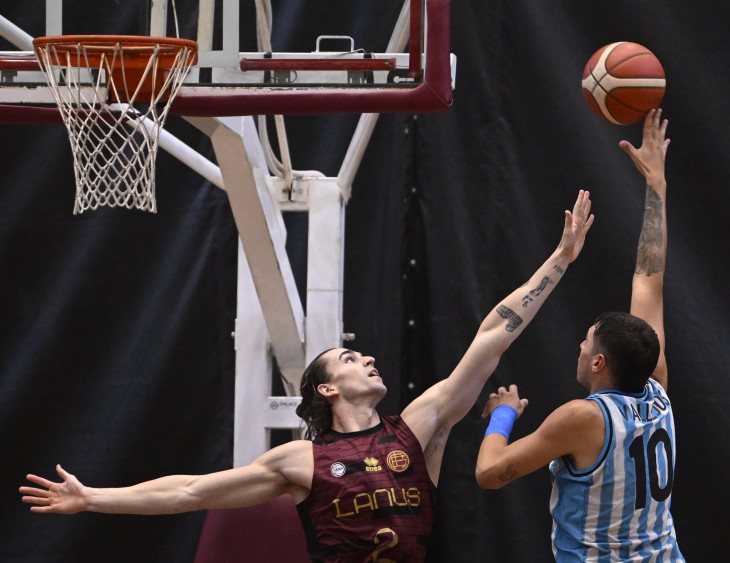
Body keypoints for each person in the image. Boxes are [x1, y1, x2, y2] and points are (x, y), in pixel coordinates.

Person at [19, 191, 594, 563]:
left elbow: (494, 335)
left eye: (363, 356)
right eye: (349, 358)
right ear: (326, 388)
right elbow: (188, 492)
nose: (367, 359)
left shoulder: (417, 427)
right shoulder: (300, 461)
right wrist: (92, 498)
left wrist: (560, 261)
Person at [475, 109, 683, 562]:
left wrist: (502, 415)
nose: (581, 346)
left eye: (587, 342)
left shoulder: (583, 418)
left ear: (598, 363)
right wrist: (657, 184)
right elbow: (649, 279)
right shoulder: (658, 390)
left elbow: (489, 473)